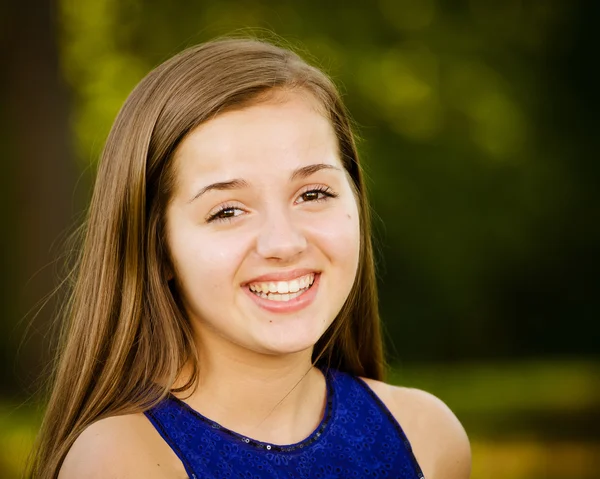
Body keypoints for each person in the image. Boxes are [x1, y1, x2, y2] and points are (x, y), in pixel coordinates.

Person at [29, 38, 471, 479]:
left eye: (313, 193)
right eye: (228, 211)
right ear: (157, 248)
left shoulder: (427, 437)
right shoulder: (120, 462)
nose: (284, 242)